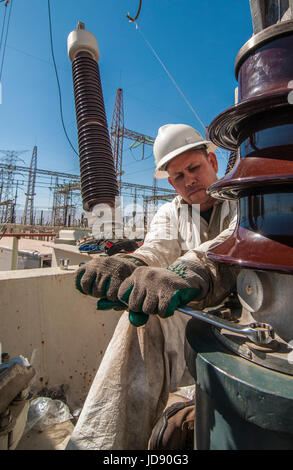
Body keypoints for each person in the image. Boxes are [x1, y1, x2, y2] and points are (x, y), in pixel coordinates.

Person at [67, 124, 237, 450]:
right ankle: (107, 445)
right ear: (170, 181)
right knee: (140, 320)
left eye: (194, 168)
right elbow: (156, 248)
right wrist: (132, 265)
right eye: (177, 176)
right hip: (193, 317)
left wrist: (191, 269)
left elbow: (233, 241)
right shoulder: (169, 212)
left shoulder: (243, 201)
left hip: (244, 320)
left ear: (213, 163)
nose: (188, 180)